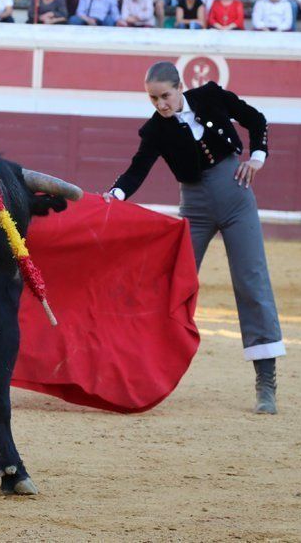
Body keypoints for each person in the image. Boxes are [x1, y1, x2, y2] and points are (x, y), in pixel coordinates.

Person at [104, 62, 285, 415]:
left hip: (236, 197)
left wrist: (258, 156)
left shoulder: (211, 96)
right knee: (174, 285)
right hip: (196, 208)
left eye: (165, 96)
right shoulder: (155, 130)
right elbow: (136, 170)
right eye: (153, 99)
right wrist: (115, 195)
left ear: (180, 87)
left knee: (252, 281)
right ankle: (145, 372)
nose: (160, 104)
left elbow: (256, 119)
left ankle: (266, 382)